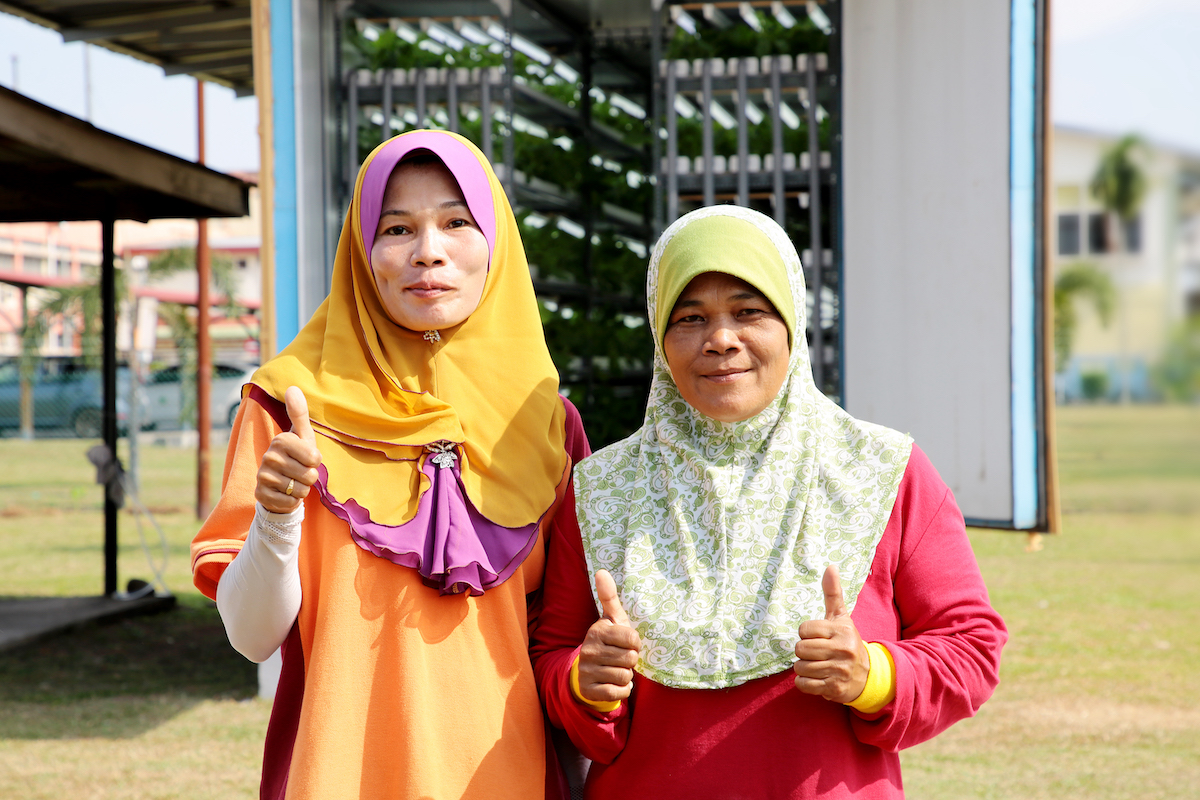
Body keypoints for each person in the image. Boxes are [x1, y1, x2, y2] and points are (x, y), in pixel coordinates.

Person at [531, 205, 1007, 798]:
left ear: (791, 323)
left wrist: (873, 675)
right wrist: (584, 680)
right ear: (660, 338)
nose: (721, 340)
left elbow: (970, 647)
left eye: (749, 311)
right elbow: (549, 657)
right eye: (689, 317)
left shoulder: (881, 470)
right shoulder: (603, 489)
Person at [191, 129, 589, 800]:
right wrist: (277, 518)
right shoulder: (287, 408)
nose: (428, 251)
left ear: (496, 241)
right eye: (397, 227)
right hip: (336, 777)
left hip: (510, 779)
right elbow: (251, 638)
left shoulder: (548, 423)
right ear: (362, 252)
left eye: (457, 222)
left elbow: (563, 650)